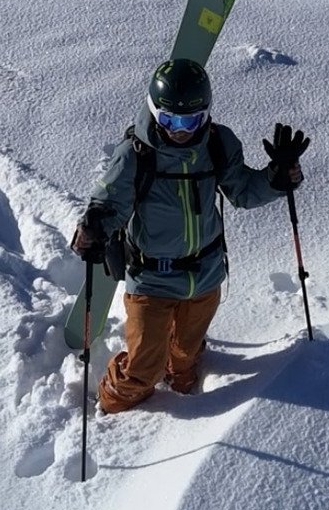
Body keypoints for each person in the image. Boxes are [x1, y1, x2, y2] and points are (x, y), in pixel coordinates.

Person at [70, 58, 311, 412]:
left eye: (191, 120)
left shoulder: (218, 144)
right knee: (141, 371)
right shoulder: (135, 155)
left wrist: (278, 178)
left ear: (206, 113)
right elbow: (107, 205)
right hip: (151, 279)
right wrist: (92, 230)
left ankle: (182, 384)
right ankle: (112, 408)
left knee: (185, 359)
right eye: (169, 120)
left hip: (205, 275)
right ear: (154, 112)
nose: (180, 129)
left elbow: (242, 191)